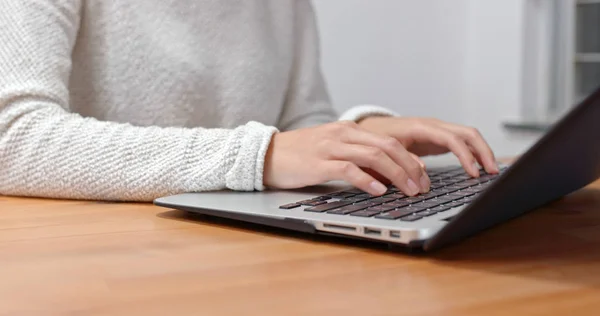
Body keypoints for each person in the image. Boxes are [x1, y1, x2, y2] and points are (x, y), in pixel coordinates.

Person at [0, 0, 498, 202]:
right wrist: (258, 156)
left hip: (237, 260)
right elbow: (12, 137)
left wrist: (357, 134)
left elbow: (300, 125)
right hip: (95, 271)